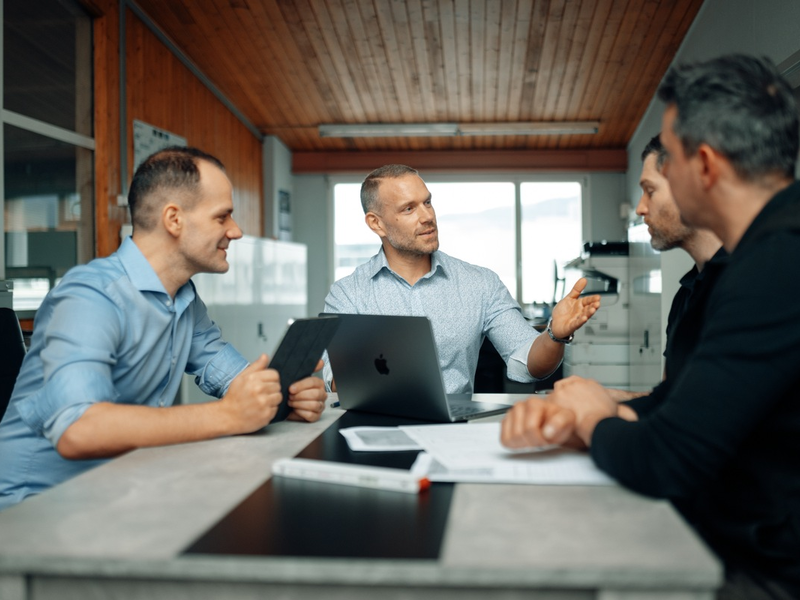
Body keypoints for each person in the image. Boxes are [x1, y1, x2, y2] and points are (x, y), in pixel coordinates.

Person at [501, 54, 800, 599]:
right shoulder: (758, 256)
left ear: (704, 166)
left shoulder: (774, 267)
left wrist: (595, 417)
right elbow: (688, 406)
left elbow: (666, 460)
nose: (659, 175)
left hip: (763, 570)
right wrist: (591, 414)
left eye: (670, 155)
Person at [0, 147, 327, 511]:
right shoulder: (90, 296)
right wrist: (228, 415)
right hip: (32, 509)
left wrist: (281, 397)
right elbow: (79, 430)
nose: (236, 231)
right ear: (174, 219)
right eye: (223, 217)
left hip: (117, 491)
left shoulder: (185, 300)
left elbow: (237, 382)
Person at [323, 164, 600, 395]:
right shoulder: (348, 294)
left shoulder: (480, 284)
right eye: (409, 209)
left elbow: (528, 364)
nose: (427, 216)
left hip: (455, 432)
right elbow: (335, 381)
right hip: (374, 430)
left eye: (427, 202)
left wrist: (554, 335)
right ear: (376, 223)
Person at [609, 134, 724, 402]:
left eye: (650, 191)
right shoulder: (685, 295)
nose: (640, 208)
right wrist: (610, 400)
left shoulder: (748, 285)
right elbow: (675, 402)